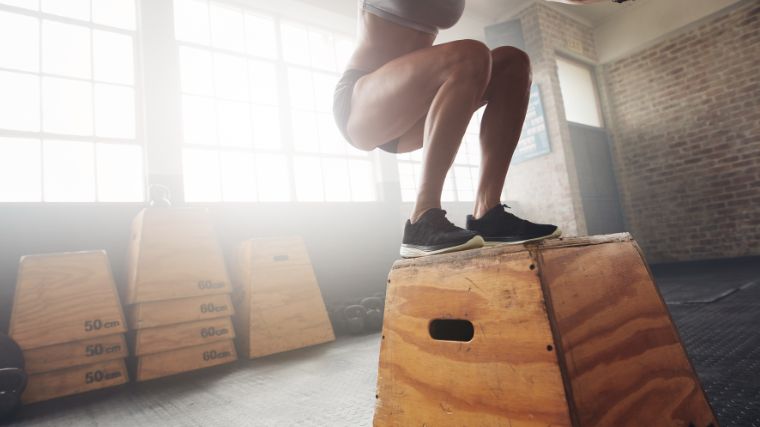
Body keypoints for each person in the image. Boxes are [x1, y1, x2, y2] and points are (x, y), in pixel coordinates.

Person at [333, 0, 607, 258]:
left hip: (413, 114)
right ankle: (421, 219)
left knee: (513, 62)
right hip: (362, 106)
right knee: (470, 55)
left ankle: (488, 213)